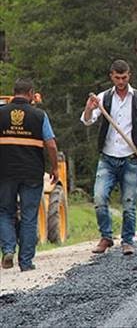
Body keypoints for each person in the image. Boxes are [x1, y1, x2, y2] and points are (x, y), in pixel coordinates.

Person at [81, 59, 137, 255]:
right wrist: (89, 107)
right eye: (117, 77)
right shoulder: (103, 98)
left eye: (124, 77)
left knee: (129, 202)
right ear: (111, 76)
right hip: (107, 157)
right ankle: (106, 237)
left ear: (129, 76)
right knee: (99, 197)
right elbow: (88, 121)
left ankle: (127, 241)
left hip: (131, 157)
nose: (120, 81)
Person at [0, 78, 59, 271]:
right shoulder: (39, 115)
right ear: (31, 93)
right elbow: (51, 144)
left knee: (5, 212)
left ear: (13, 91)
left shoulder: (1, 113)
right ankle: (25, 262)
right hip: (32, 173)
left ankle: (8, 249)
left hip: (5, 172)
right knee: (29, 216)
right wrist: (55, 167)